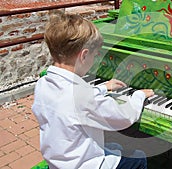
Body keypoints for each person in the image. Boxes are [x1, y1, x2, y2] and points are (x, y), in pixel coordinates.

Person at [32, 10, 154, 169]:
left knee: (113, 146)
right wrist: (138, 95)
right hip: (85, 164)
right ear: (83, 56)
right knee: (139, 158)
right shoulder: (81, 97)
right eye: (95, 55)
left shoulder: (44, 83)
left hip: (59, 161)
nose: (95, 59)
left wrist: (102, 87)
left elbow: (74, 102)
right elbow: (124, 117)